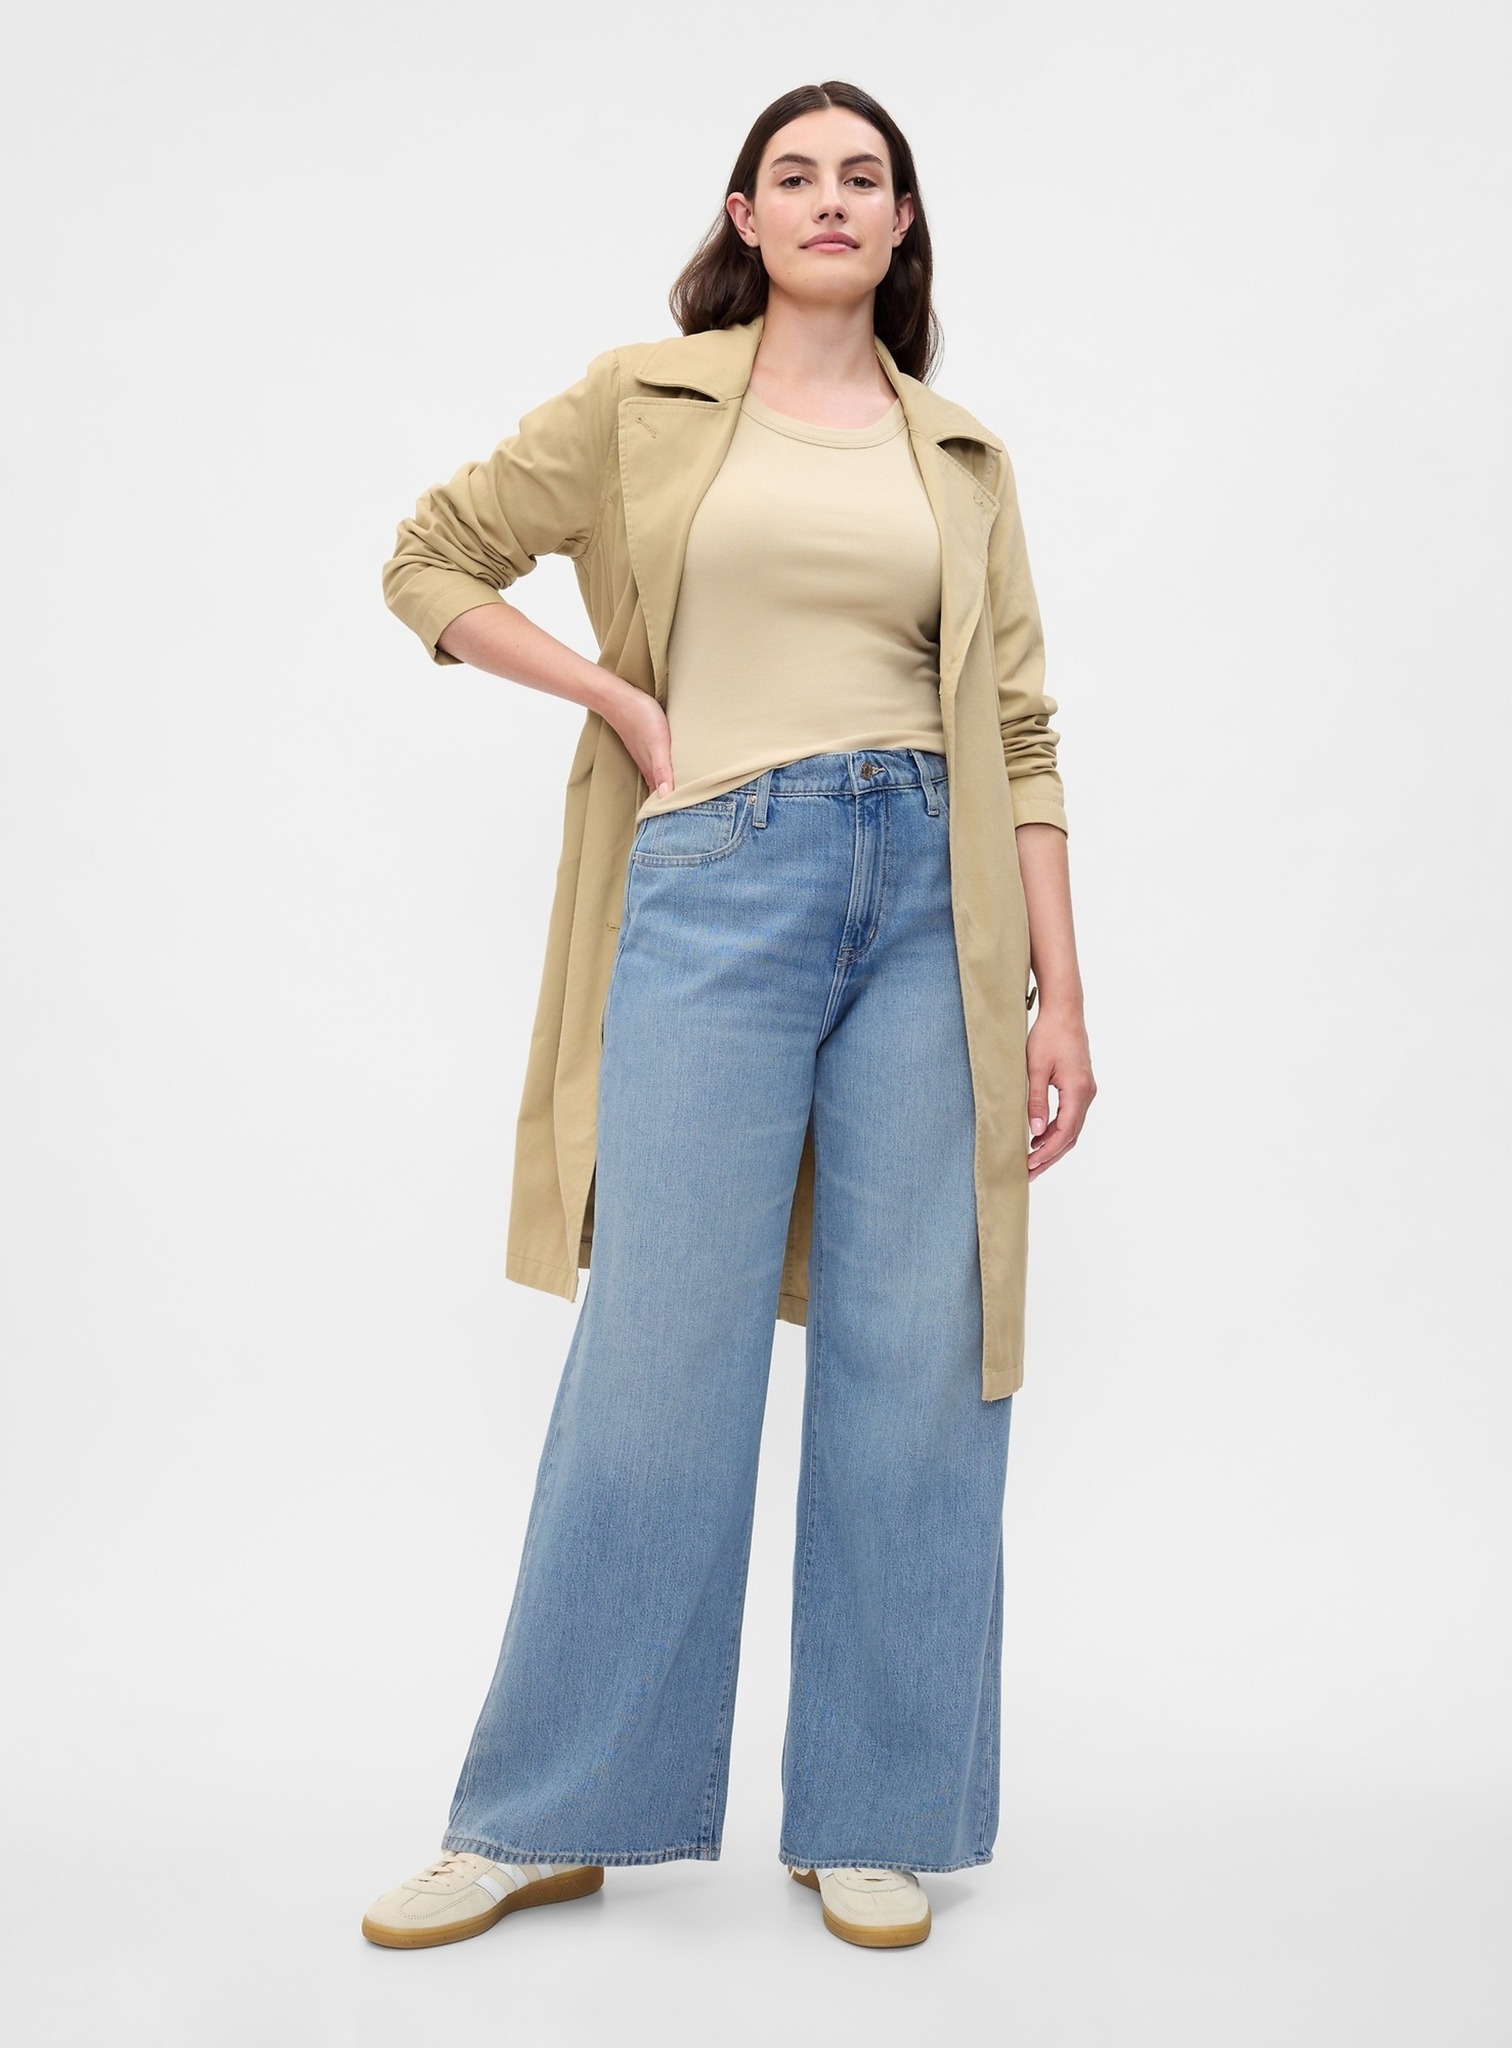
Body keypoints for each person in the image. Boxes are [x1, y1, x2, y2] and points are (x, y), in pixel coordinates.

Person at [362, 78, 1096, 1955]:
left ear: (904, 222)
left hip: (936, 906)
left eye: (865, 176)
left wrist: (1060, 997)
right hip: (718, 875)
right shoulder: (646, 400)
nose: (831, 200)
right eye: (796, 175)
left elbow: (1019, 732)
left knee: (915, 1358)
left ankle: (877, 1812)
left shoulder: (964, 459)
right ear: (746, 215)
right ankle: (545, 1813)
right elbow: (430, 558)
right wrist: (621, 703)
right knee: (659, 1352)